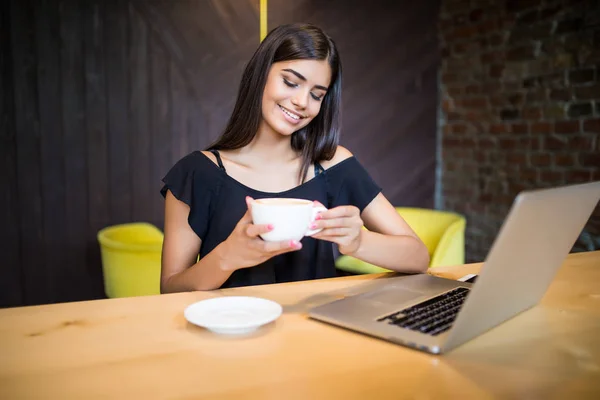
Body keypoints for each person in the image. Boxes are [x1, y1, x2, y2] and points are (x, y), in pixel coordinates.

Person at [160, 23, 429, 293]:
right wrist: (227, 256)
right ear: (261, 74)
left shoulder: (333, 165)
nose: (302, 101)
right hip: (231, 333)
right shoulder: (198, 173)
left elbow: (418, 257)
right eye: (290, 82)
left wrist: (358, 242)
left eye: (316, 95)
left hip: (316, 333)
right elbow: (170, 289)